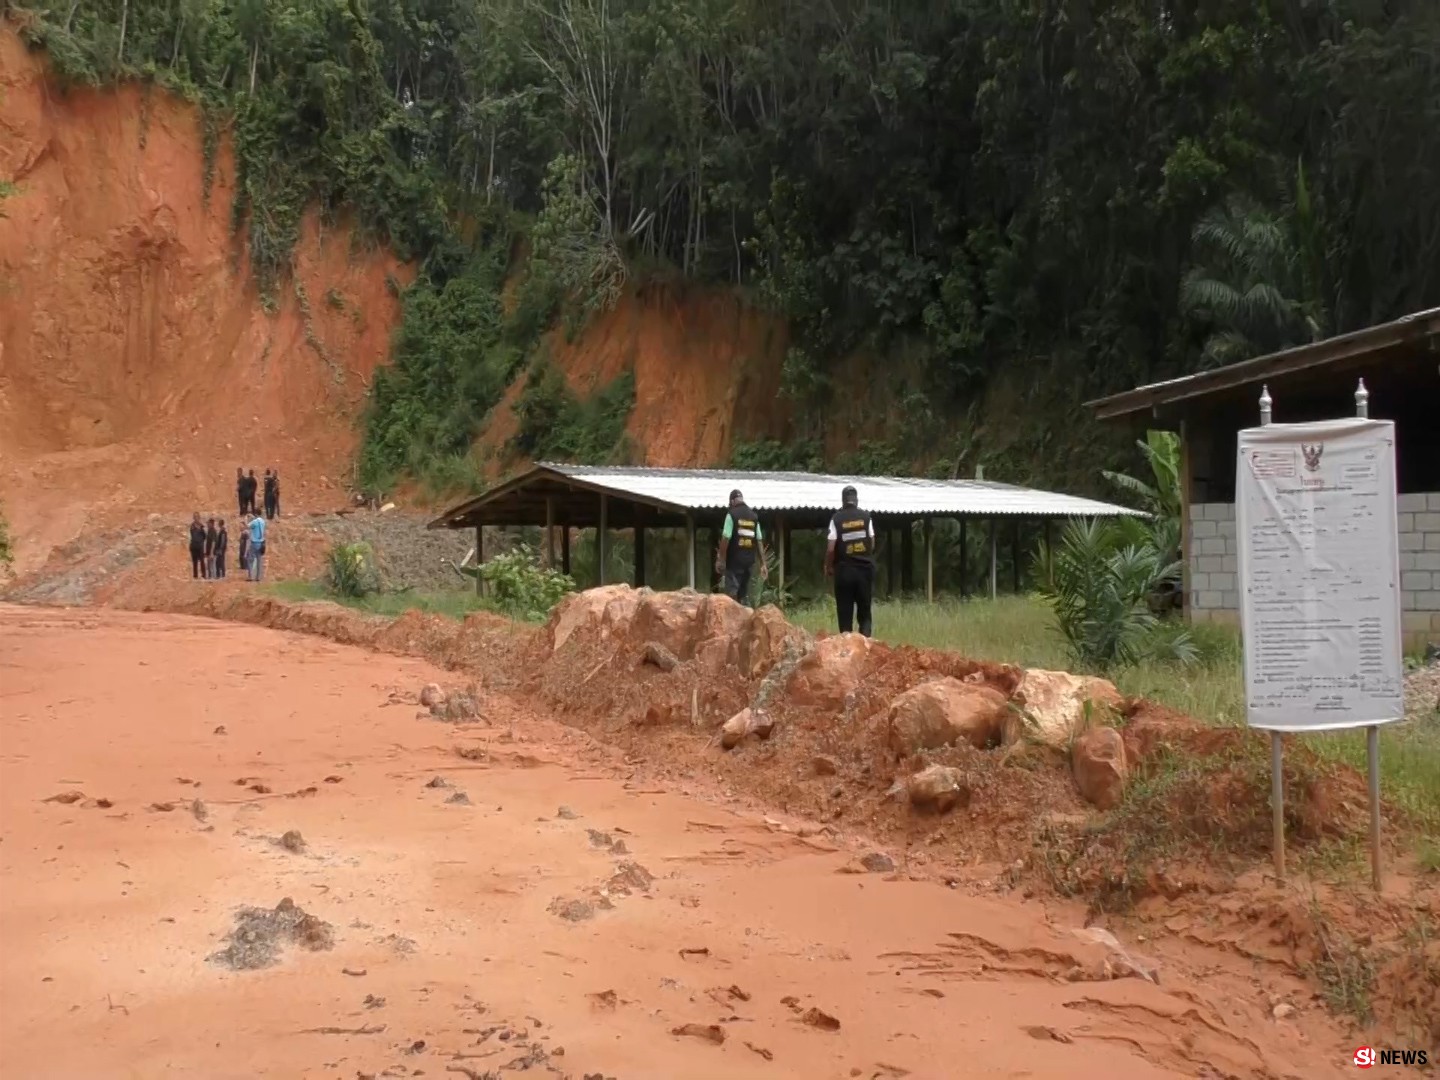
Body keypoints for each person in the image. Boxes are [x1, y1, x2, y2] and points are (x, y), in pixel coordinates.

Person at [824, 484, 876, 636]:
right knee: (865, 613)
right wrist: (864, 554)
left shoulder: (836, 519)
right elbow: (872, 541)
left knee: (845, 613)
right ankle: (865, 642)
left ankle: (846, 644)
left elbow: (831, 548)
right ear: (856, 500)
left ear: (843, 500)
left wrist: (828, 566)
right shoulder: (866, 517)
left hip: (844, 572)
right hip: (864, 571)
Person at [715, 488, 767, 607]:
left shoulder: (731, 515)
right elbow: (759, 540)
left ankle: (733, 615)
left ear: (732, 501)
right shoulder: (754, 516)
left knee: (732, 593)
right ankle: (745, 615)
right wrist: (763, 563)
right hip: (749, 563)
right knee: (744, 595)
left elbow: (725, 538)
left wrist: (721, 560)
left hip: (734, 562)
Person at [247, 511, 267, 582]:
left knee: (250, 559)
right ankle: (258, 577)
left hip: (254, 542)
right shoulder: (263, 521)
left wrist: (248, 519)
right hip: (261, 542)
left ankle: (251, 576)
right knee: (259, 560)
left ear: (255, 514)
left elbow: (248, 526)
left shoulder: (254, 522)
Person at [188, 512, 207, 580]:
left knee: (202, 561)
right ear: (193, 518)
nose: (196, 518)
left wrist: (200, 541)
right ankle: (195, 575)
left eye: (197, 517)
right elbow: (192, 534)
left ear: (199, 517)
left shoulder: (201, 526)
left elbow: (204, 536)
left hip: (200, 546)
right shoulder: (192, 526)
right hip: (194, 546)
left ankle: (203, 575)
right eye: (195, 517)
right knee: (195, 561)